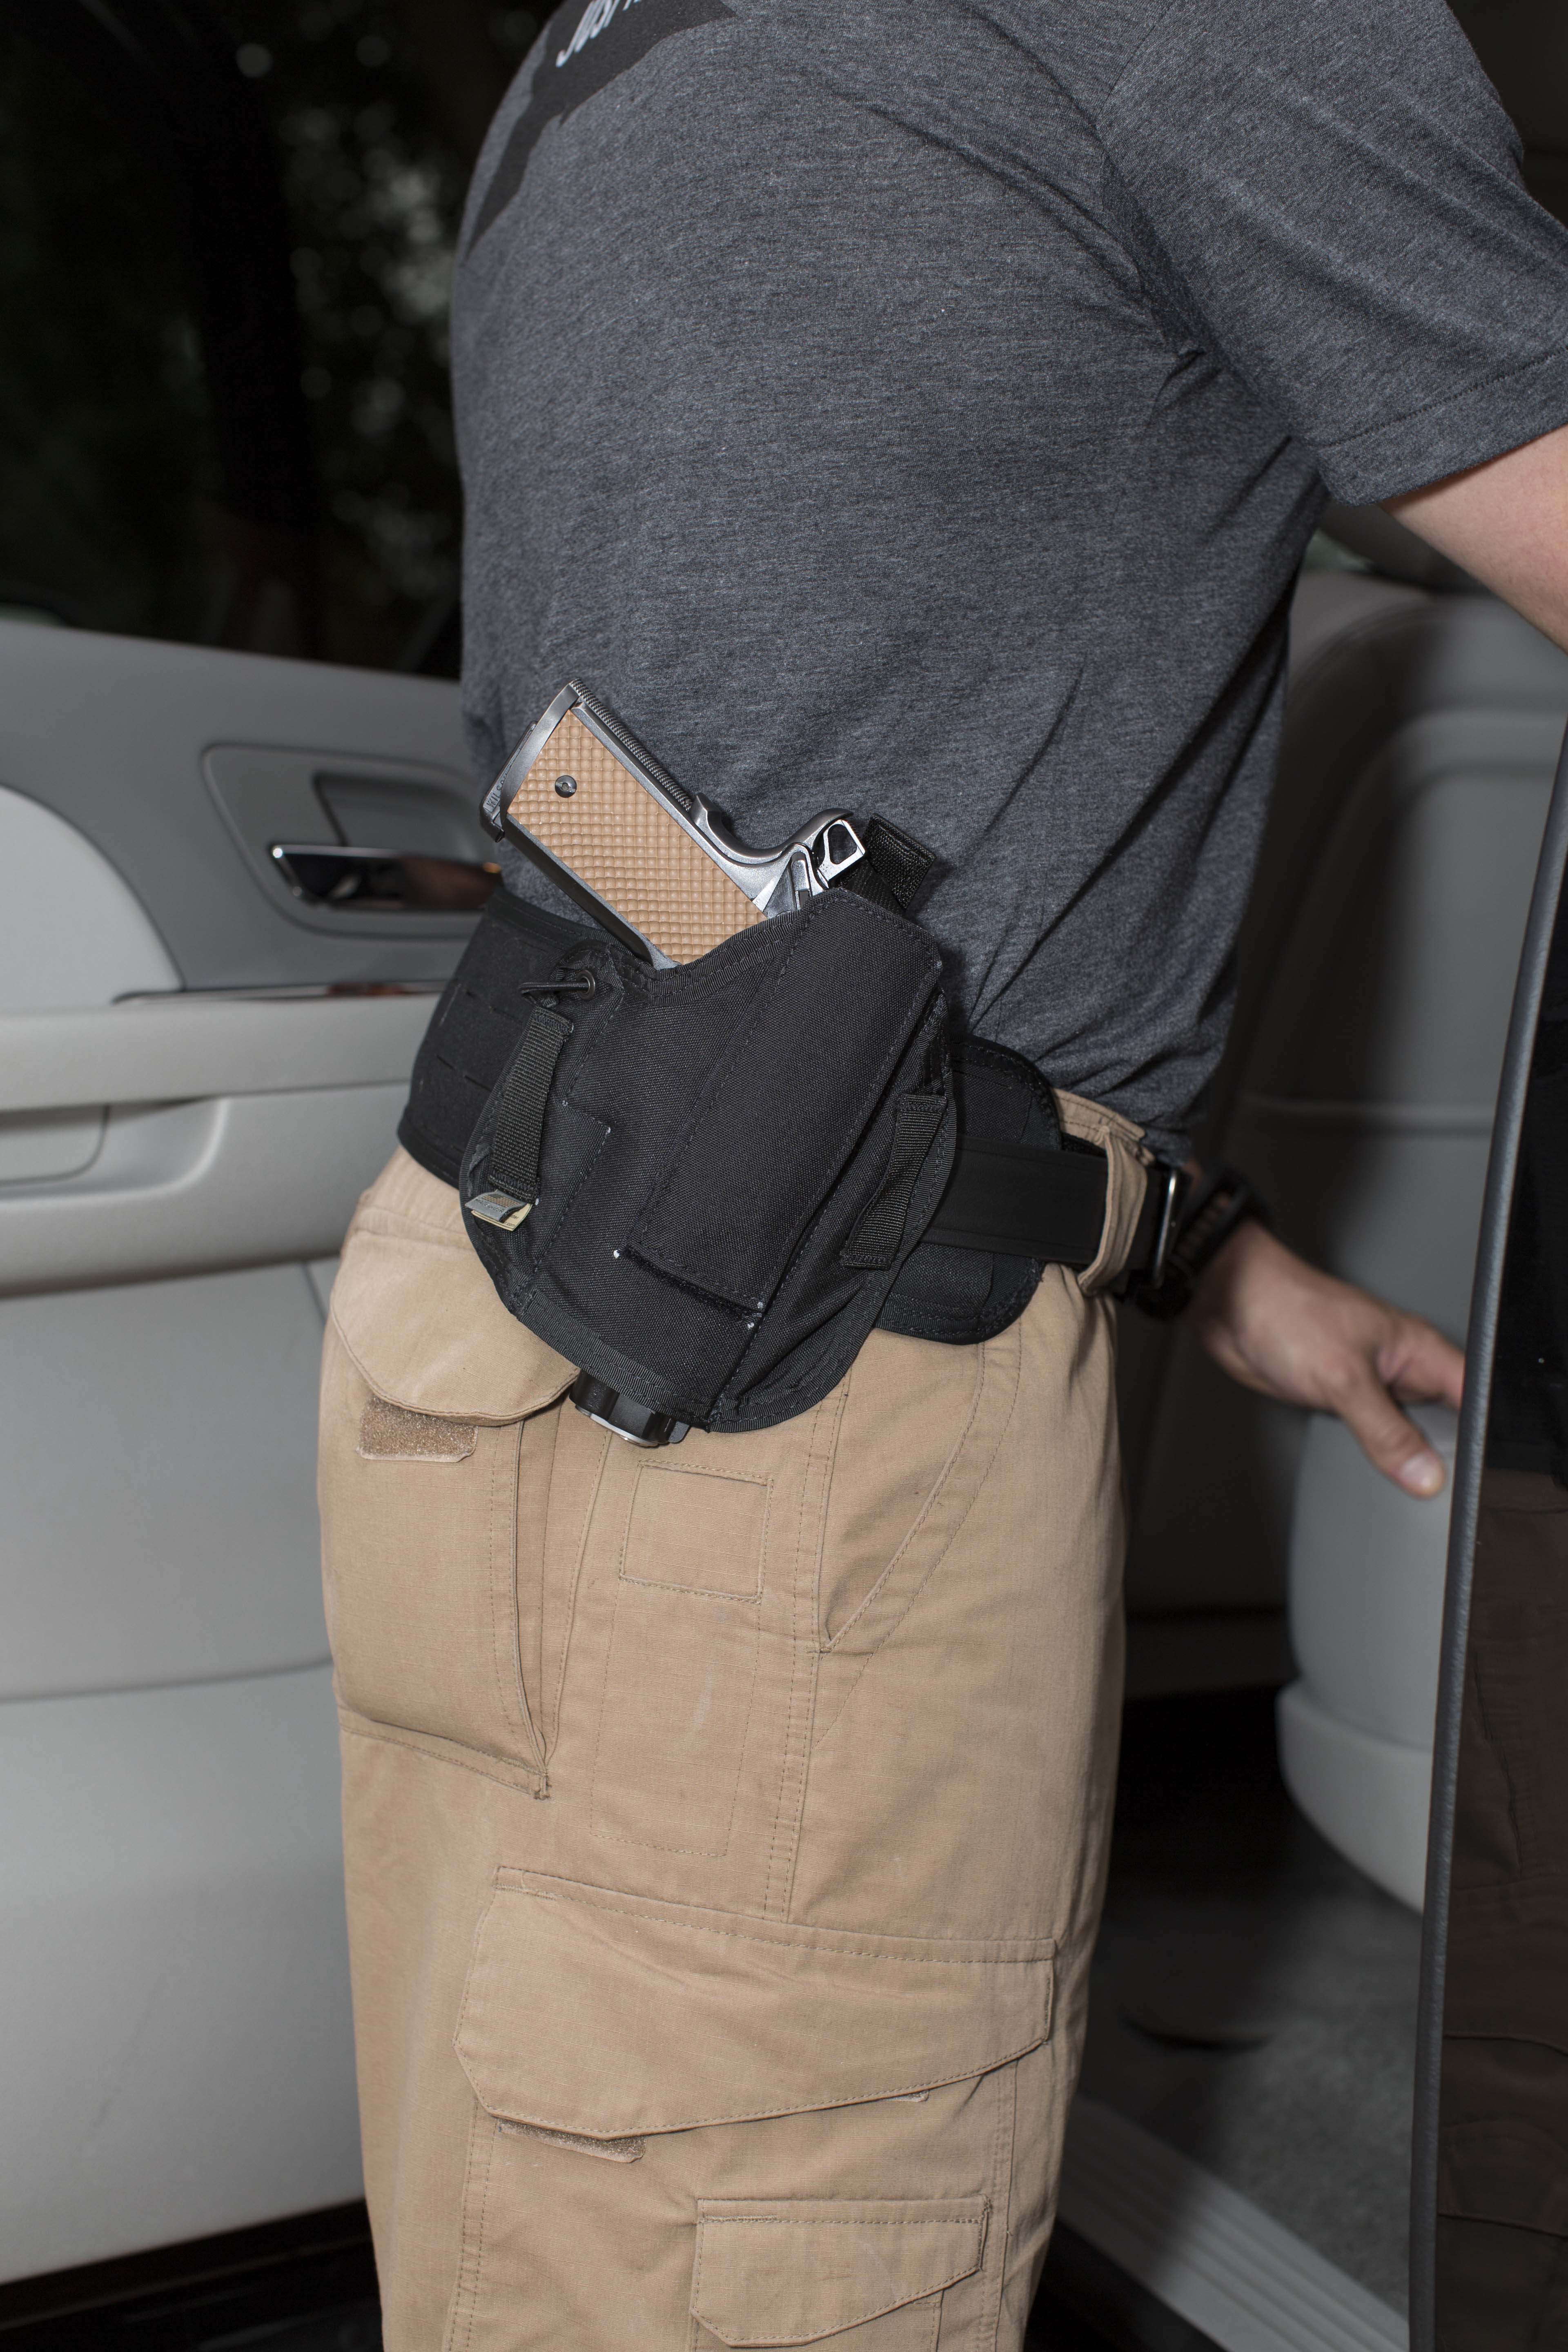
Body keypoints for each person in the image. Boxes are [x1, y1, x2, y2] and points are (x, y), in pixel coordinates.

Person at [316, 2, 1568, 2344]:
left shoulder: (612, 48)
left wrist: (1185, 1237)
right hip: (796, 1408)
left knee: (534, 2243)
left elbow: (776, 696)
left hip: (509, 1295)